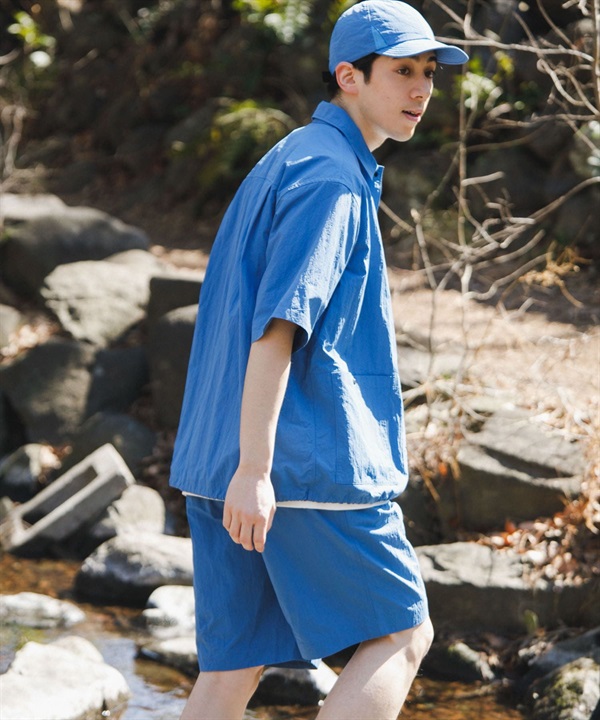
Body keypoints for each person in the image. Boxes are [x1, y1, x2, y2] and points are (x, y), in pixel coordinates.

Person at [169, 2, 468, 718]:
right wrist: (256, 469)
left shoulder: (293, 155)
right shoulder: (332, 178)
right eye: (402, 71)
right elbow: (279, 328)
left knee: (232, 668)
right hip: (299, 466)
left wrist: (243, 466)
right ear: (349, 76)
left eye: (429, 73)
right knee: (404, 633)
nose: (421, 89)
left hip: (222, 458)